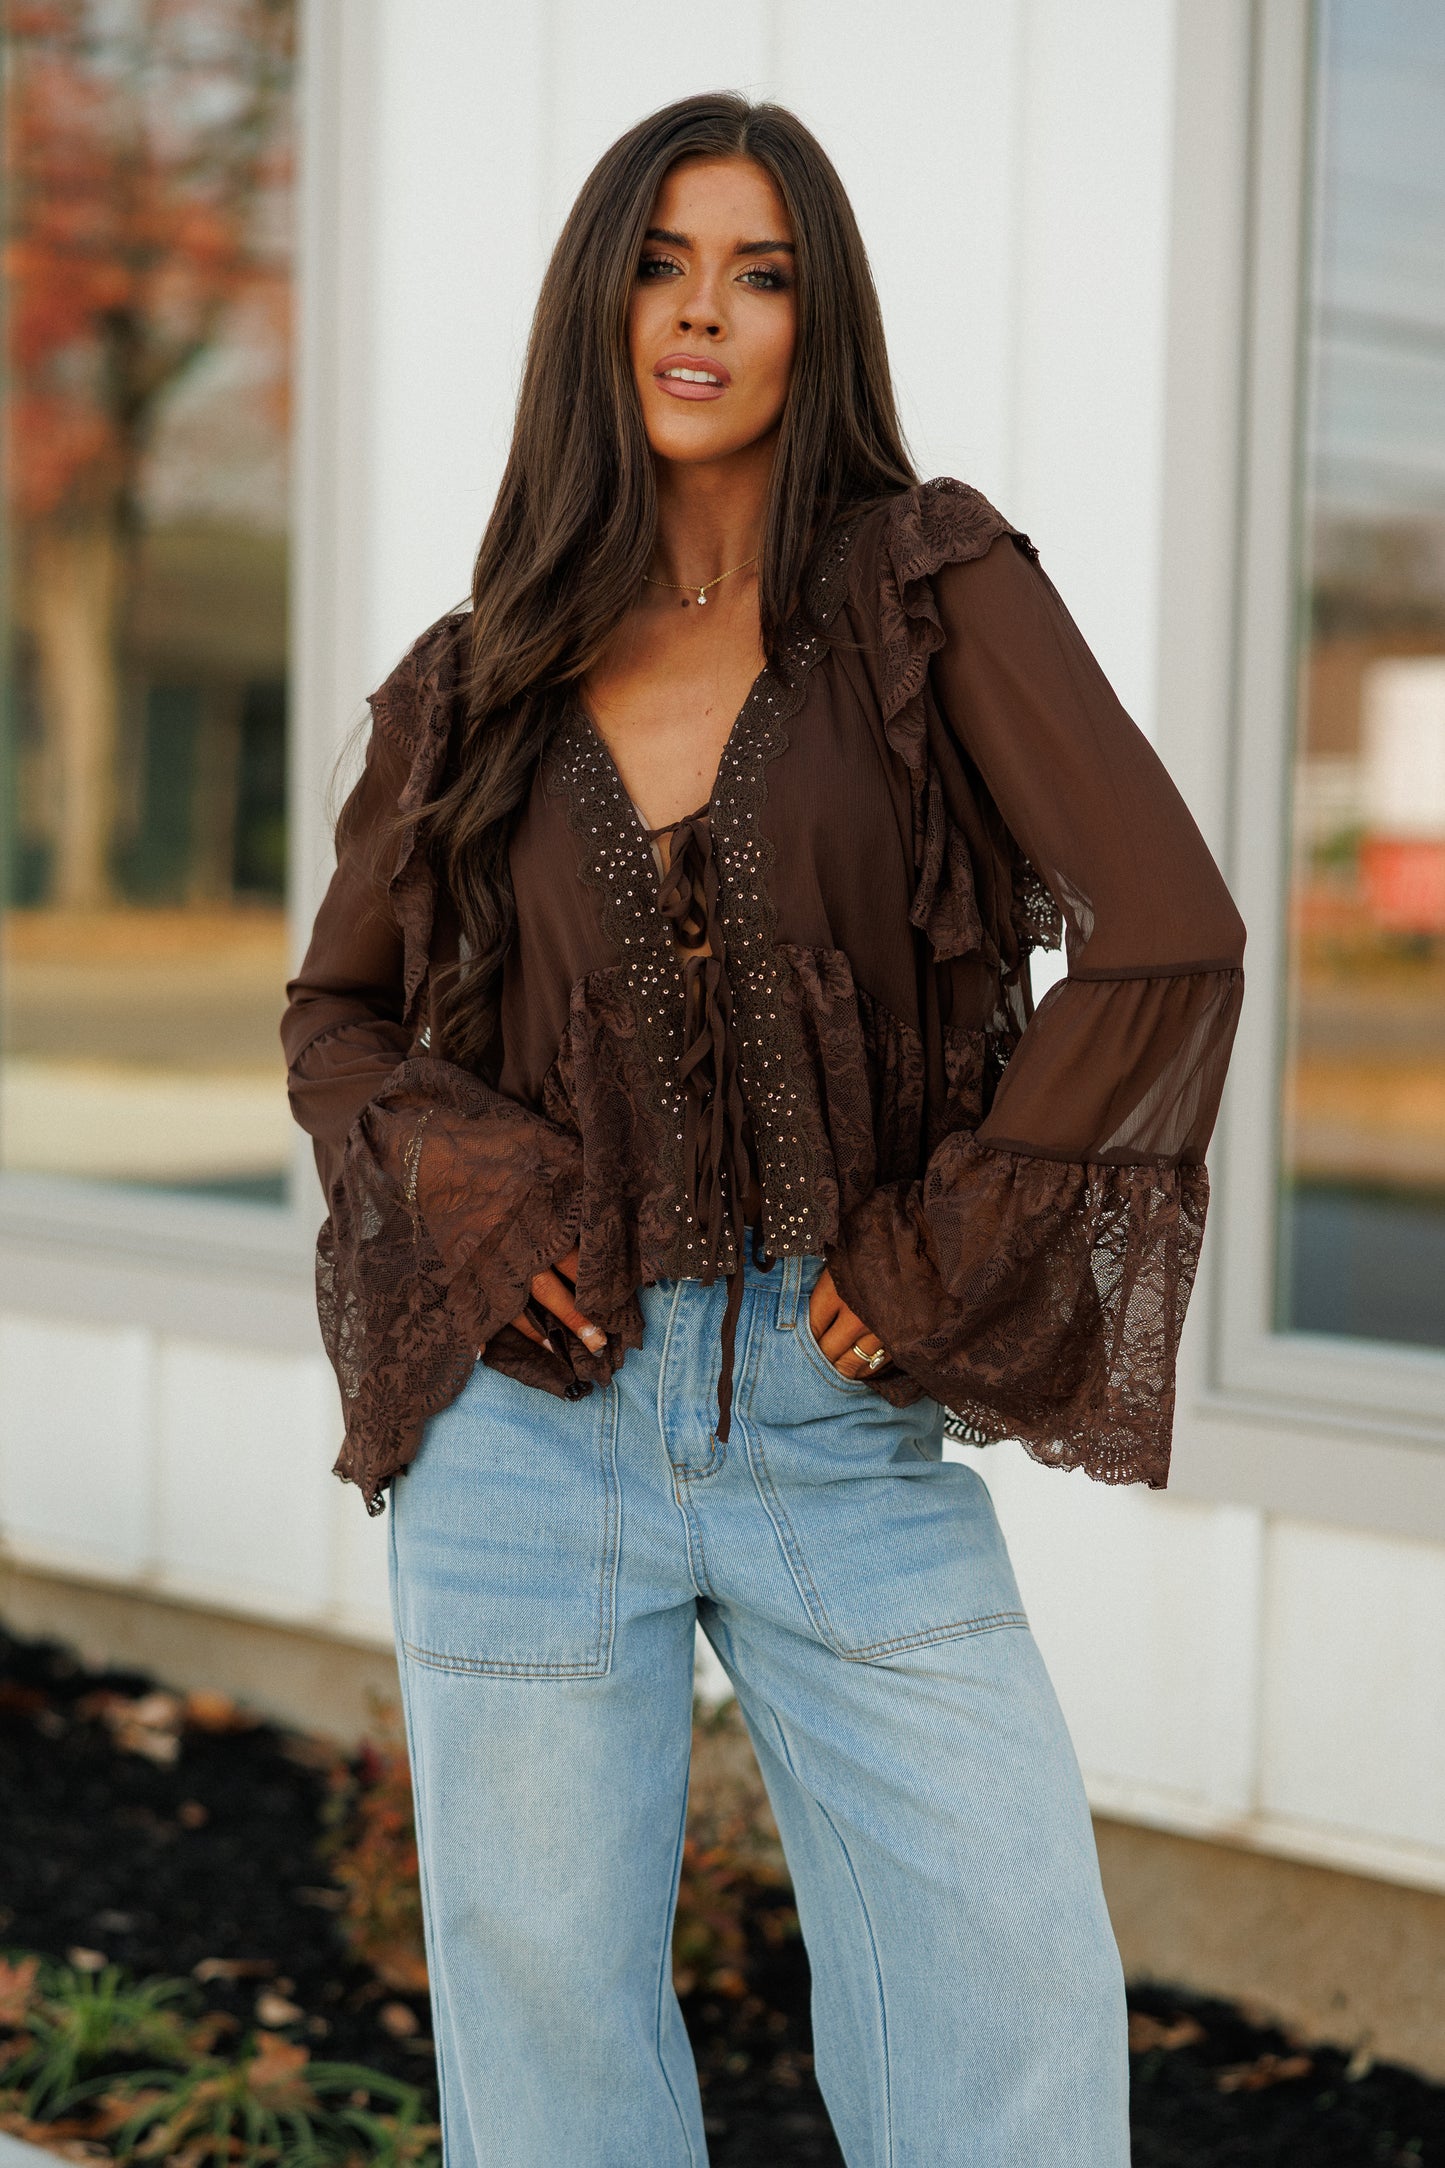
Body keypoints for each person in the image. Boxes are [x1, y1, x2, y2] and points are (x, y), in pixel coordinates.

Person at [282, 91, 1243, 2168]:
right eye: (662, 260)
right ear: (598, 310)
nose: (703, 311)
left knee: (1010, 2000)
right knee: (548, 2063)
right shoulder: (475, 681)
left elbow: (1169, 934)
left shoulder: (929, 586)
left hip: (836, 1417)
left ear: (823, 320)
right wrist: (477, 1192)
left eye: (762, 270)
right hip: (528, 1435)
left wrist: (924, 1271)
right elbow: (335, 1016)